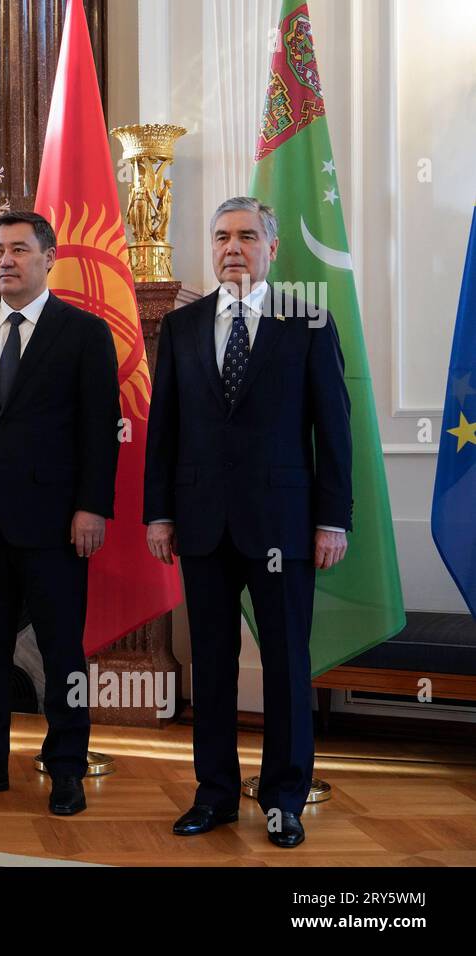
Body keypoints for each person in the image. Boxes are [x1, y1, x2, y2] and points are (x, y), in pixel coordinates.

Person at [144, 196, 352, 848]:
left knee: (287, 665)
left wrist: (332, 522)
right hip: (202, 524)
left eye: (245, 236)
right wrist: (159, 513)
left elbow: (334, 433)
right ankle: (215, 795)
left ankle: (284, 800)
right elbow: (165, 431)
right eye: (221, 236)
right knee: (211, 664)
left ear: (272, 248)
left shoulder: (309, 323)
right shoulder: (181, 328)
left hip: (284, 525)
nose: (232, 248)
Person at [0, 210, 120, 815]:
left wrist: (92, 508)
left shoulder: (84, 334)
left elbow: (98, 432)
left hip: (58, 523)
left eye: (17, 249)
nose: (3, 260)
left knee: (62, 650)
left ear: (47, 258)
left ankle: (66, 768)